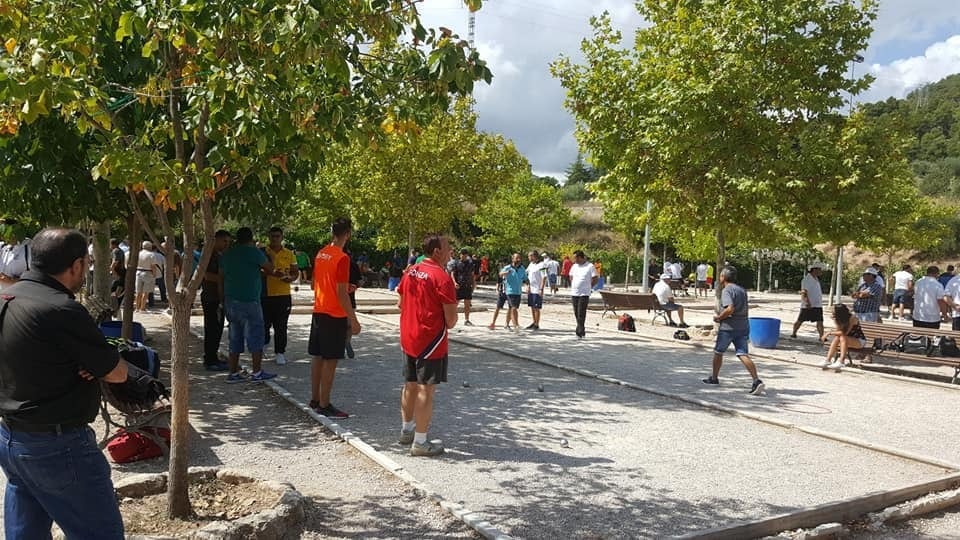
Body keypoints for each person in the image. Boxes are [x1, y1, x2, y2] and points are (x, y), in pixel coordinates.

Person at [0, 227, 129, 538]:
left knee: (25, 533)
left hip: (11, 438)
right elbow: (118, 373)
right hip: (58, 445)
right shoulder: (61, 308)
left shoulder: (8, 296)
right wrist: (96, 364)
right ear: (77, 265)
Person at [396, 233, 457, 457]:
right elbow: (451, 321)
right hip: (430, 340)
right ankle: (420, 442)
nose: (451, 251)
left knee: (409, 384)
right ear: (437, 251)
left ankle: (406, 430)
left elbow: (400, 302)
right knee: (426, 390)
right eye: (448, 247)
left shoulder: (411, 270)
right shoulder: (441, 277)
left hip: (408, 336)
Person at [308, 217, 361, 418]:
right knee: (331, 360)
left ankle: (315, 399)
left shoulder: (321, 253)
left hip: (319, 310)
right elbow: (340, 293)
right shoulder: (342, 257)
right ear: (347, 233)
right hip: (334, 313)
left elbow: (316, 284)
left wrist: (342, 287)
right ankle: (325, 403)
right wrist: (353, 319)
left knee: (318, 356)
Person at [220, 227, 277, 383]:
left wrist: (222, 300)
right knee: (256, 336)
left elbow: (222, 277)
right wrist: (270, 256)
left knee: (234, 337)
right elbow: (271, 269)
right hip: (250, 300)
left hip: (231, 300)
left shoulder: (228, 254)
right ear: (251, 239)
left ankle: (233, 373)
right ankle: (257, 372)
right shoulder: (254, 252)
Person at [702, 266, 765, 395]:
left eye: (720, 275)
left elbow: (730, 309)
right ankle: (756, 380)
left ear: (723, 277)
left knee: (718, 352)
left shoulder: (727, 290)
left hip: (728, 327)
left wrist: (719, 317)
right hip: (743, 325)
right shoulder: (741, 290)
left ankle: (714, 378)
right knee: (742, 353)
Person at [261, 227, 298, 366]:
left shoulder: (289, 253)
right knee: (264, 323)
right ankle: (264, 343)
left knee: (281, 325)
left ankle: (280, 352)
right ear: (268, 237)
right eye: (272, 236)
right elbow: (258, 270)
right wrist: (271, 273)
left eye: (277, 236)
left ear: (282, 237)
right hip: (265, 294)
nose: (275, 238)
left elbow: (295, 271)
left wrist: (291, 278)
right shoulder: (263, 252)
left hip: (283, 295)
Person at [200, 230, 231, 371]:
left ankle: (213, 357)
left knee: (217, 330)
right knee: (212, 329)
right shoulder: (208, 255)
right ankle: (210, 360)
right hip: (211, 297)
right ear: (216, 240)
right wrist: (225, 279)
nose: (227, 244)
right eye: (224, 241)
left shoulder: (221, 255)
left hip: (219, 296)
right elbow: (206, 275)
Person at [821, 304, 866, 370]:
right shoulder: (838, 319)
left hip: (859, 341)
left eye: (834, 310)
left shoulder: (852, 318)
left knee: (842, 337)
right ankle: (828, 360)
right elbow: (838, 332)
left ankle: (841, 361)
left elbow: (845, 333)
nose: (832, 311)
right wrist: (836, 321)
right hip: (845, 340)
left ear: (839, 312)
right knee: (838, 337)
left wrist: (828, 333)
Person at [791, 262, 825, 339]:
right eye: (820, 269)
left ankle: (821, 336)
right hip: (808, 304)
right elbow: (804, 292)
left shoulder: (816, 279)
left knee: (820, 321)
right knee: (800, 320)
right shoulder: (807, 279)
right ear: (815, 270)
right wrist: (806, 302)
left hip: (817, 304)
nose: (821, 271)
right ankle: (794, 333)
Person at [569, 250, 598, 339]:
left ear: (580, 257)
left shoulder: (590, 266)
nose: (574, 260)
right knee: (576, 312)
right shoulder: (574, 266)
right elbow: (571, 276)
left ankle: (580, 332)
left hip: (584, 293)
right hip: (575, 292)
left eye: (575, 258)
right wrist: (574, 284)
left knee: (581, 312)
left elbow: (595, 278)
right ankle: (581, 328)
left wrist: (589, 287)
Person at [0, 219, 31, 292]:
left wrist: (12, 280)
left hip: (18, 298)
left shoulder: (29, 248)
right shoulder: (3, 246)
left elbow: (36, 277)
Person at [499, 253, 526, 333]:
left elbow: (525, 278)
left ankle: (506, 324)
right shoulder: (508, 267)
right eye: (516, 258)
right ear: (512, 259)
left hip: (518, 291)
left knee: (511, 308)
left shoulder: (522, 268)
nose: (518, 259)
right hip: (510, 291)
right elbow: (500, 274)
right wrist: (505, 273)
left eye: (519, 258)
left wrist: (527, 285)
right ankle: (515, 325)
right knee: (514, 308)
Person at [451, 248, 475, 326]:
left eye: (464, 254)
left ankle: (467, 319)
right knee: (455, 303)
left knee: (467, 303)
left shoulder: (470, 263)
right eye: (461, 254)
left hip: (467, 285)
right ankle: (451, 317)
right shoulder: (456, 263)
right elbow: (452, 274)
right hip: (459, 285)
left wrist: (474, 283)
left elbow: (472, 274)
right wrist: (454, 283)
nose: (462, 256)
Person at [133, 241, 159, 312]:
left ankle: (137, 308)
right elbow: (153, 266)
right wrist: (154, 274)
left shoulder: (138, 254)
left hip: (138, 272)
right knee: (145, 292)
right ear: (150, 247)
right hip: (148, 273)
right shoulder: (151, 255)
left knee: (138, 292)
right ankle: (142, 308)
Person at [487, 259, 512, 330]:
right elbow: (498, 282)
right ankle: (493, 322)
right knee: (498, 307)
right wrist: (497, 289)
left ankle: (507, 324)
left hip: (510, 292)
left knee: (510, 308)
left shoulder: (511, 272)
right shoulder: (501, 274)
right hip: (502, 292)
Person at [525, 250, 547, 330]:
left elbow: (544, 276)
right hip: (531, 288)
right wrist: (527, 285)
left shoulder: (542, 265)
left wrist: (541, 288)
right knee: (532, 306)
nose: (528, 258)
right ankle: (534, 322)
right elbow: (526, 274)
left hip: (537, 289)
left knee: (536, 307)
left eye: (529, 256)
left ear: (534, 256)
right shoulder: (531, 264)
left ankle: (537, 324)